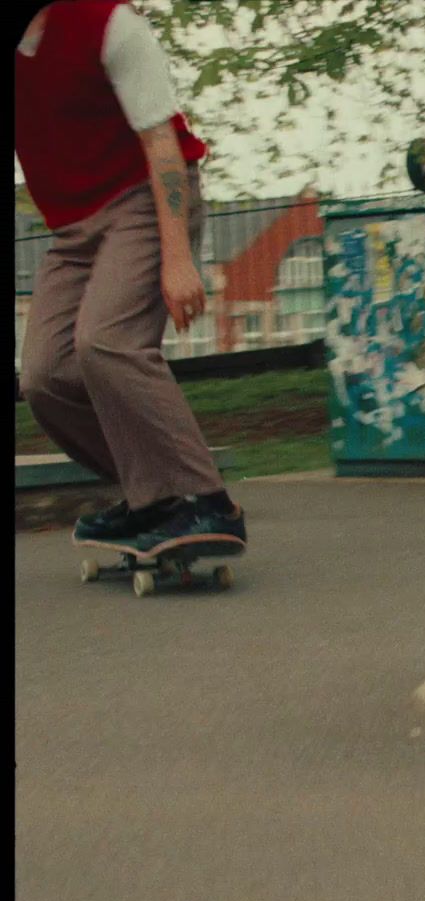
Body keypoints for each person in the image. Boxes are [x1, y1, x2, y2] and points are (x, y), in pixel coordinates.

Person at [15, 0, 246, 555]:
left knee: (107, 342)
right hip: (75, 232)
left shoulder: (109, 24)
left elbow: (161, 144)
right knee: (45, 375)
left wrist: (177, 257)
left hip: (146, 200)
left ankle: (206, 502)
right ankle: (156, 499)